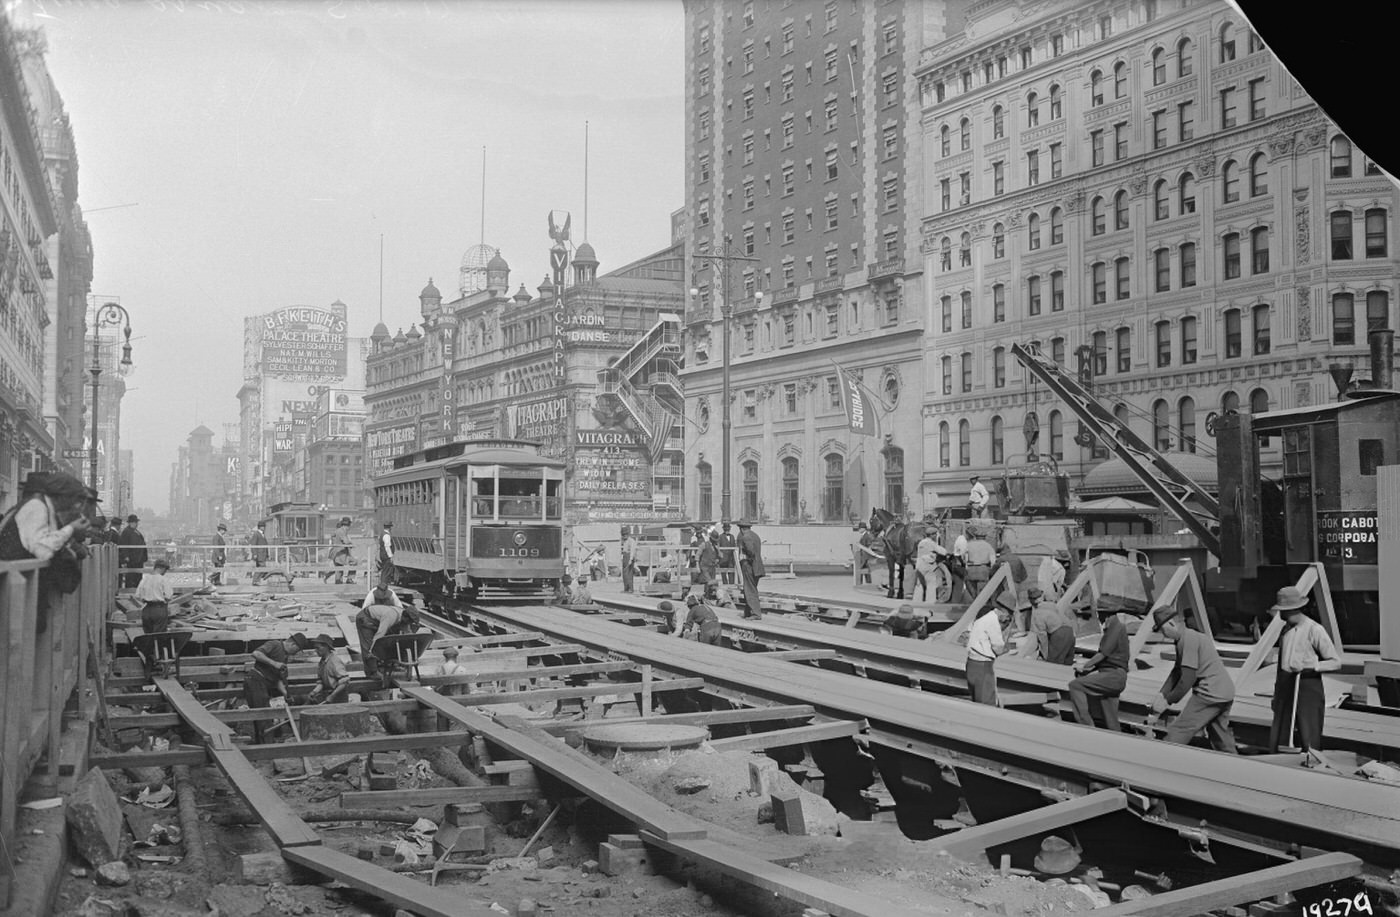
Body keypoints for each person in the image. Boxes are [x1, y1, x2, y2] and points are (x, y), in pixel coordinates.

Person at [1148, 607, 1237, 752]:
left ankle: (1164, 756)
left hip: (1210, 693)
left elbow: (1187, 679)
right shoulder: (1186, 637)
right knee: (1219, 734)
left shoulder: (1188, 640)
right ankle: (1234, 763)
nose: (1164, 635)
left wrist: (1167, 701)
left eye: (1163, 630)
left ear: (1171, 623)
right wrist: (1161, 694)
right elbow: (1177, 671)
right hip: (1225, 691)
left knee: (1180, 729)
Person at [1268, 587, 1341, 753]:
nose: (1280, 615)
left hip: (1307, 684)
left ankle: (1311, 760)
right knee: (1281, 730)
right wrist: (1276, 694)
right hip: (1286, 683)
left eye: (1282, 611)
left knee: (1309, 729)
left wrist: (1311, 666)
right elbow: (1281, 665)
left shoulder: (1315, 629)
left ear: (1291, 610)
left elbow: (1335, 662)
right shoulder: (1285, 630)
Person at [1068, 604, 1131, 731]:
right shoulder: (1115, 628)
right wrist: (1090, 669)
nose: (1098, 618)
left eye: (1099, 614)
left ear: (1106, 615)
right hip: (1114, 676)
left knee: (1075, 685)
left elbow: (1103, 654)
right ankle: (1117, 742)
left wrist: (1084, 666)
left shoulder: (1115, 628)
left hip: (1113, 676)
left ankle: (1086, 727)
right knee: (1110, 719)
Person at [244, 632, 310, 742]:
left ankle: (263, 744)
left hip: (263, 685)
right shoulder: (275, 644)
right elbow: (256, 653)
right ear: (292, 644)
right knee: (263, 716)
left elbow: (277, 679)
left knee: (264, 717)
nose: (295, 654)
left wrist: (285, 694)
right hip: (255, 681)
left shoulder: (284, 657)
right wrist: (274, 663)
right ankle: (266, 747)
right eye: (297, 650)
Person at [965, 593, 1015, 705]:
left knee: (976, 701)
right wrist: (1006, 649)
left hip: (971, 663)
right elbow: (998, 647)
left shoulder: (983, 615)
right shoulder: (992, 621)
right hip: (983, 666)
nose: (1007, 618)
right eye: (1008, 615)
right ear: (1003, 610)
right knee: (987, 703)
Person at [356, 584, 404, 678]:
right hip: (368, 618)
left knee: (391, 638)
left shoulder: (392, 595)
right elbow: (364, 610)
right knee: (368, 644)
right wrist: (372, 647)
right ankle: (371, 672)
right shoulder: (371, 595)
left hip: (384, 618)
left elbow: (400, 609)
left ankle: (390, 663)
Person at [134, 558, 177, 633]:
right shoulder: (163, 579)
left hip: (146, 609)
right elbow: (168, 596)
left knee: (148, 636)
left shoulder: (145, 579)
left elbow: (137, 595)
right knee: (159, 636)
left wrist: (146, 599)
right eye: (165, 570)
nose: (165, 572)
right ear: (162, 568)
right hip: (159, 609)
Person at [306, 634, 352, 705]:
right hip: (328, 695)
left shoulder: (335, 661)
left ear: (326, 647)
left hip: (339, 697)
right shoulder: (322, 662)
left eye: (318, 648)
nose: (316, 650)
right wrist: (314, 692)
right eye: (315, 648)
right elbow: (321, 682)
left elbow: (344, 682)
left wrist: (333, 695)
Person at [737, 519, 765, 620]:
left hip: (749, 566)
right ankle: (748, 612)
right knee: (750, 588)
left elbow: (751, 552)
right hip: (757, 566)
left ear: (741, 529)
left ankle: (756, 614)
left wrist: (747, 559)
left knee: (749, 590)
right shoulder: (755, 535)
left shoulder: (746, 537)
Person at [997, 543, 1029, 628]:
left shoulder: (1001, 559)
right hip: (1017, 583)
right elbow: (1024, 575)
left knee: (1006, 604)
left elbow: (994, 574)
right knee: (1015, 604)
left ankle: (1007, 623)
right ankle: (1016, 623)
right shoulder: (1017, 558)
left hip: (1005, 584)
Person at [962, 527, 996, 602]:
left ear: (976, 536)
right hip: (983, 569)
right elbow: (993, 561)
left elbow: (964, 558)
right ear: (985, 537)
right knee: (982, 593)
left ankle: (974, 603)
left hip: (971, 569)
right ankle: (980, 607)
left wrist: (967, 565)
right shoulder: (988, 546)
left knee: (972, 591)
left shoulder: (969, 545)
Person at [913, 531, 946, 603]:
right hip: (929, 567)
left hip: (919, 566)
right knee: (931, 586)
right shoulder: (932, 543)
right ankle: (929, 605)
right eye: (935, 534)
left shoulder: (921, 542)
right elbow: (943, 552)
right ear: (932, 535)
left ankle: (916, 603)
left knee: (919, 586)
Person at [117, 513, 148, 589]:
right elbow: (124, 545)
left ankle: (136, 588)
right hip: (132, 558)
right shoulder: (126, 532)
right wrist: (126, 556)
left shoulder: (135, 531)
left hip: (138, 558)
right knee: (131, 576)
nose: (136, 524)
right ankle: (130, 589)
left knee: (137, 575)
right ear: (131, 523)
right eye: (135, 522)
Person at [327, 517, 355, 585]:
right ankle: (349, 578)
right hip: (340, 554)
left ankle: (338, 584)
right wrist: (350, 544)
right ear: (347, 525)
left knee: (339, 570)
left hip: (338, 554)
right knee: (354, 562)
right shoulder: (341, 531)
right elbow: (346, 541)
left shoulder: (338, 531)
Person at [949, 528, 970, 602]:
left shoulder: (960, 539)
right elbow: (962, 554)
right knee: (959, 585)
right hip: (959, 564)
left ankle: (956, 601)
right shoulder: (963, 541)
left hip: (956, 563)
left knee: (958, 585)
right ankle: (956, 603)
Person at [697, 527, 719, 592]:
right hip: (705, 566)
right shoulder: (704, 544)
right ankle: (706, 595)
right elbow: (697, 555)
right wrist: (697, 566)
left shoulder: (716, 546)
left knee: (712, 582)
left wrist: (717, 558)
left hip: (712, 567)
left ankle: (709, 595)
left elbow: (719, 556)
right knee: (708, 581)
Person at [249, 521, 270, 585]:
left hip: (263, 554)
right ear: (259, 527)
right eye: (262, 526)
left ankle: (257, 581)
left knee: (260, 568)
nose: (263, 527)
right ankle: (255, 581)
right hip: (259, 554)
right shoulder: (256, 534)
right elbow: (253, 544)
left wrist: (267, 554)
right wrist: (254, 554)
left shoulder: (262, 534)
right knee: (262, 567)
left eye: (264, 526)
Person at [377, 520, 395, 586]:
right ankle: (384, 583)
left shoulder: (382, 534)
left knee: (385, 570)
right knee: (387, 570)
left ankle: (383, 583)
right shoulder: (387, 536)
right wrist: (390, 556)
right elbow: (387, 546)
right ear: (389, 528)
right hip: (386, 555)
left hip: (382, 554)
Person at [620, 527, 638, 593]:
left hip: (629, 557)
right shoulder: (625, 541)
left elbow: (632, 551)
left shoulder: (631, 541)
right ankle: (626, 588)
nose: (624, 536)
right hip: (625, 557)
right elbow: (624, 550)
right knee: (624, 574)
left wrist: (630, 559)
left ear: (627, 534)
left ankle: (630, 589)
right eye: (623, 535)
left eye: (625, 535)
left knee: (629, 574)